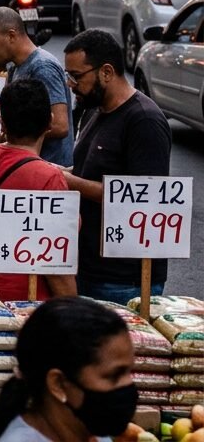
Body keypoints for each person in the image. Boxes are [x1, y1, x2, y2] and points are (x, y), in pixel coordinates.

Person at [61, 29, 172, 304]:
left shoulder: (144, 121)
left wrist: (69, 182)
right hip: (88, 266)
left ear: (106, 72)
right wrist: (48, 170)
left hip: (124, 279)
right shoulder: (93, 110)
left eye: (76, 76)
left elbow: (140, 198)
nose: (71, 84)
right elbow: (87, 172)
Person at [0, 79, 75, 303]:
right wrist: (73, 309)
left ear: (2, 123)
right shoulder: (50, 178)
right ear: (50, 122)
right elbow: (56, 266)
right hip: (26, 302)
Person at [0, 297, 136, 442]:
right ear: (58, 384)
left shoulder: (91, 432)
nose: (128, 384)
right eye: (114, 376)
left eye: (129, 372)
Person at [0, 7, 74, 167]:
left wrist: (8, 138)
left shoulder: (43, 67)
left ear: (11, 35)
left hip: (48, 171)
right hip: (26, 166)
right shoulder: (14, 67)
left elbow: (60, 126)